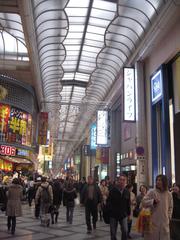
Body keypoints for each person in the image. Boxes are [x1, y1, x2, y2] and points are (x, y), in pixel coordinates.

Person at [142, 174, 173, 240]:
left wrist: (169, 217)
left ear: (164, 182)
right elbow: (143, 202)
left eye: (160, 180)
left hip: (164, 223)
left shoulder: (169, 194)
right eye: (157, 180)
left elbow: (170, 207)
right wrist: (153, 201)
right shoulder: (152, 192)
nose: (158, 182)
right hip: (152, 221)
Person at [108, 174, 130, 240]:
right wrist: (110, 211)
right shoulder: (113, 190)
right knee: (113, 233)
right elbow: (108, 202)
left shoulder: (126, 192)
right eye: (120, 180)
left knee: (125, 230)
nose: (122, 181)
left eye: (124, 180)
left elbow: (128, 204)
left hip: (123, 214)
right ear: (118, 181)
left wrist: (128, 214)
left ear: (126, 181)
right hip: (113, 214)